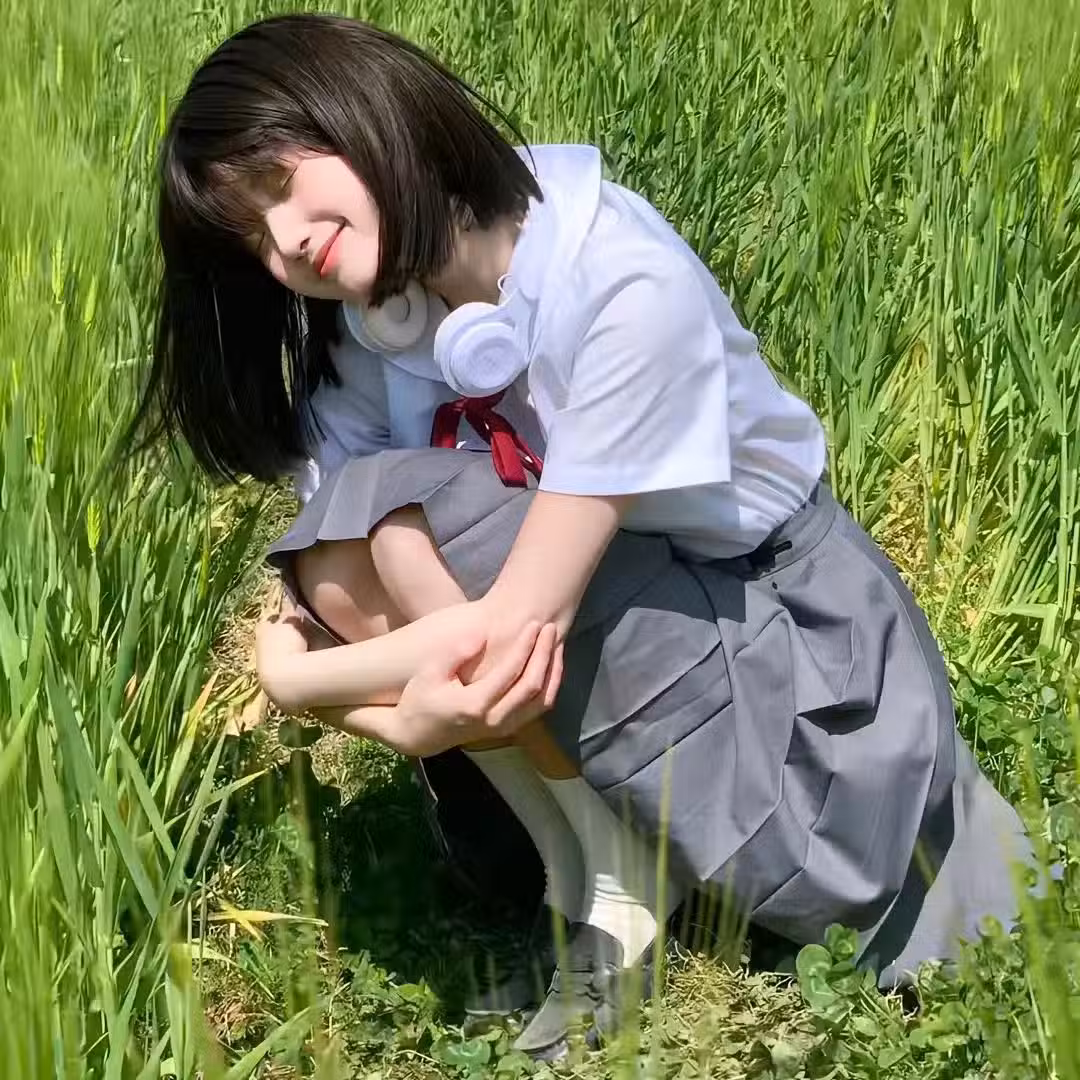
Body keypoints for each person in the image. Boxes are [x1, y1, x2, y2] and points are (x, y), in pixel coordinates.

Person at [128, 11, 1035, 1060]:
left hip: (789, 642)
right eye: (252, 236)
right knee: (351, 538)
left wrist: (296, 683)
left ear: (362, 110)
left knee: (402, 527)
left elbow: (511, 633)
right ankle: (597, 867)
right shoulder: (384, 313)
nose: (286, 243)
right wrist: (350, 655)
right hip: (649, 609)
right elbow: (327, 556)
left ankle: (621, 877)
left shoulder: (622, 285)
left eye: (281, 186)